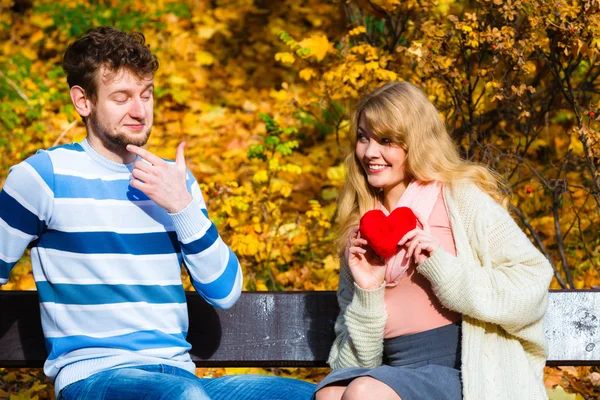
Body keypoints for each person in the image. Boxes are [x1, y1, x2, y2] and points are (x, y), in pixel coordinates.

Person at [0, 26, 315, 400]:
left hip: (181, 376)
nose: (139, 110)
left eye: (146, 95)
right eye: (122, 97)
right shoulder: (42, 178)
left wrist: (181, 206)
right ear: (83, 101)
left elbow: (225, 292)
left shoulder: (174, 181)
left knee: (322, 396)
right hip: (96, 378)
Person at [314, 81, 553, 400]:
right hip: (392, 375)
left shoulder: (460, 198)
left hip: (467, 372)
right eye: (363, 137)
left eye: (386, 140)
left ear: (416, 142)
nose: (370, 152)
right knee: (331, 394)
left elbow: (533, 281)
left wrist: (445, 271)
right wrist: (369, 292)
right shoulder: (362, 230)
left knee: (363, 392)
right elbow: (354, 364)